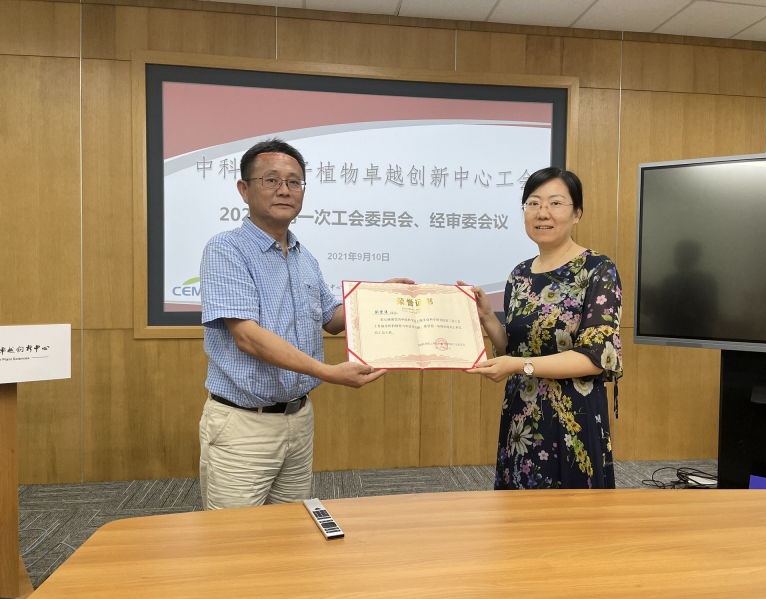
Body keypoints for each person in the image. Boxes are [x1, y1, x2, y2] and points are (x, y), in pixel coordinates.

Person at [199, 138, 411, 510]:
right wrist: (327, 372)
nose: (284, 190)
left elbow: (332, 320)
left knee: (292, 528)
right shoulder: (226, 250)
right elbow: (248, 337)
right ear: (244, 189)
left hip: (299, 418)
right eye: (271, 180)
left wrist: (378, 298)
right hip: (244, 424)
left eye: (294, 182)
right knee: (234, 537)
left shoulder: (304, 257)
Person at [462, 167, 622, 489]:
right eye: (533, 203)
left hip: (573, 417)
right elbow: (512, 348)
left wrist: (518, 365)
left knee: (569, 511)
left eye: (555, 203)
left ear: (577, 213)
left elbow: (595, 358)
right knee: (518, 510)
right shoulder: (520, 274)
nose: (542, 213)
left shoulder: (598, 269)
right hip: (521, 414)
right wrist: (488, 318)